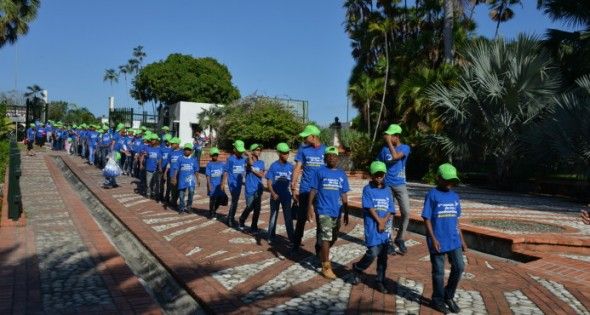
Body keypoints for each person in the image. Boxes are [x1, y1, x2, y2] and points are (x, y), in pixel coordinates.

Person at [421, 163, 467, 314]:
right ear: (438, 178)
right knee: (439, 272)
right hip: (438, 240)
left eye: (451, 180)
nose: (449, 183)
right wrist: (433, 239)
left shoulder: (455, 196)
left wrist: (462, 240)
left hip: (454, 240)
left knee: (459, 267)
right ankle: (437, 300)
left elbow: (456, 220)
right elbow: (426, 218)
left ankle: (449, 295)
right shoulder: (432, 195)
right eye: (446, 180)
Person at [349, 161, 395, 293]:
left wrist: (384, 221)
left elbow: (391, 209)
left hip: (384, 229)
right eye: (376, 174)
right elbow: (369, 207)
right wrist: (379, 222)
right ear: (371, 175)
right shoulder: (367, 189)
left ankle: (380, 280)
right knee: (373, 252)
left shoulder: (388, 190)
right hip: (372, 227)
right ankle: (358, 268)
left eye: (381, 173)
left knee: (383, 257)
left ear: (385, 174)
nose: (379, 176)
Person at [307, 146, 350, 279]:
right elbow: (313, 190)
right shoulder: (319, 172)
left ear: (338, 159)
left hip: (336, 211)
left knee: (333, 236)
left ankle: (320, 249)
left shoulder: (341, 174)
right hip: (323, 210)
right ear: (325, 158)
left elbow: (344, 194)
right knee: (326, 237)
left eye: (334, 156)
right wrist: (309, 206)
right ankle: (326, 267)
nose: (331, 158)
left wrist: (346, 212)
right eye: (329, 156)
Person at [377, 124, 411, 255]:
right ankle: (388, 240)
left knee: (406, 212)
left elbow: (396, 156)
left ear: (397, 137)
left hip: (400, 184)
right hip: (387, 186)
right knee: (389, 213)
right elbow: (378, 163)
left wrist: (389, 143)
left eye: (391, 136)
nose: (388, 138)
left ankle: (400, 238)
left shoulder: (405, 148)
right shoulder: (383, 150)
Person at [291, 124, 326, 253]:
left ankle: (319, 247)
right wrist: (293, 184)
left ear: (313, 136)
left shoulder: (326, 150)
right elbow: (297, 167)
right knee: (301, 218)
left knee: (320, 219)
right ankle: (296, 244)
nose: (304, 139)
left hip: (321, 191)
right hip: (305, 189)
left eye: (306, 136)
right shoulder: (303, 150)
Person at [266, 142, 295, 245]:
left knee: (288, 218)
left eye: (287, 153)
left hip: (286, 196)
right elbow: (269, 182)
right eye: (284, 153)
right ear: (279, 153)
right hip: (275, 196)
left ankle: (292, 239)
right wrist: (273, 193)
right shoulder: (273, 166)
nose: (286, 155)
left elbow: (292, 182)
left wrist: (294, 194)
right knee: (273, 216)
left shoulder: (291, 167)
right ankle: (270, 236)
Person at [239, 144, 265, 232]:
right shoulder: (246, 160)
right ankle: (242, 219)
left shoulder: (261, 162)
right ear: (252, 151)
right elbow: (250, 163)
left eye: (260, 150)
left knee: (257, 208)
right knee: (250, 207)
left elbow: (261, 174)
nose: (259, 151)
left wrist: (253, 170)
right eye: (257, 150)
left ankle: (254, 226)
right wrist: (249, 155)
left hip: (258, 188)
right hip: (249, 187)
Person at [222, 140, 247, 227]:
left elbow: (250, 164)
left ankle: (230, 217)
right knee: (234, 201)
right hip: (232, 183)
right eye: (239, 151)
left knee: (235, 201)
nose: (240, 153)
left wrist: (248, 154)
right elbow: (225, 171)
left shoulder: (244, 159)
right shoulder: (230, 159)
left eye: (241, 151)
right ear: (234, 150)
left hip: (239, 183)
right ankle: (230, 219)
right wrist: (223, 183)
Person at [171, 143, 200, 214]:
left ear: (191, 151)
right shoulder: (180, 158)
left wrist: (198, 179)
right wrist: (174, 177)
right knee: (181, 195)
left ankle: (189, 206)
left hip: (190, 180)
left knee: (191, 192)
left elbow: (196, 170)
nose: (187, 151)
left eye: (189, 150)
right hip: (182, 180)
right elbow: (176, 169)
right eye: (186, 149)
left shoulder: (194, 160)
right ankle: (181, 208)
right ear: (183, 150)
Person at [205, 147, 225, 219]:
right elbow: (207, 176)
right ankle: (211, 213)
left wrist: (223, 184)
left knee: (219, 199)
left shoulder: (221, 164)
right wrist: (209, 185)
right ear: (211, 155)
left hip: (219, 185)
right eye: (213, 155)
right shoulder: (209, 164)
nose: (215, 156)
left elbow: (224, 174)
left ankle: (214, 210)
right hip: (212, 185)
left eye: (216, 155)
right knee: (212, 199)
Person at [141, 134, 162, 199]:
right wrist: (141, 164)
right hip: (148, 168)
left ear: (156, 141)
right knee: (148, 183)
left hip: (155, 169)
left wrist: (160, 167)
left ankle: (154, 193)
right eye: (152, 140)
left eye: (154, 140)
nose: (152, 141)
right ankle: (148, 193)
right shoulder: (147, 148)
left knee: (155, 183)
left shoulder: (159, 149)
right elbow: (143, 156)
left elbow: (160, 159)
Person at [165, 137, 183, 207]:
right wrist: (165, 172)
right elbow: (169, 163)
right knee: (173, 189)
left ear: (177, 144)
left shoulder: (182, 152)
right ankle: (173, 201)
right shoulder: (170, 153)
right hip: (172, 174)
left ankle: (175, 200)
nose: (171, 145)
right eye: (171, 144)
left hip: (180, 174)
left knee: (179, 189)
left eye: (173, 144)